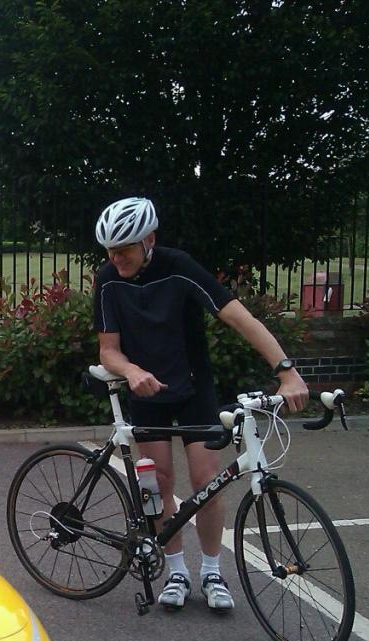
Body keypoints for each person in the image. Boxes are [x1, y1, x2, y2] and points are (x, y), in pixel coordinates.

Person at [92, 197, 309, 612]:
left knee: (207, 481)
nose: (117, 257)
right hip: (146, 392)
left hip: (193, 387)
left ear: (149, 240)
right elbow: (108, 350)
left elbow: (239, 316)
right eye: (111, 250)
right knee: (159, 483)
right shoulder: (109, 279)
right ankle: (176, 569)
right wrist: (132, 371)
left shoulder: (179, 267)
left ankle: (211, 569)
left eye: (125, 248)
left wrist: (286, 370)